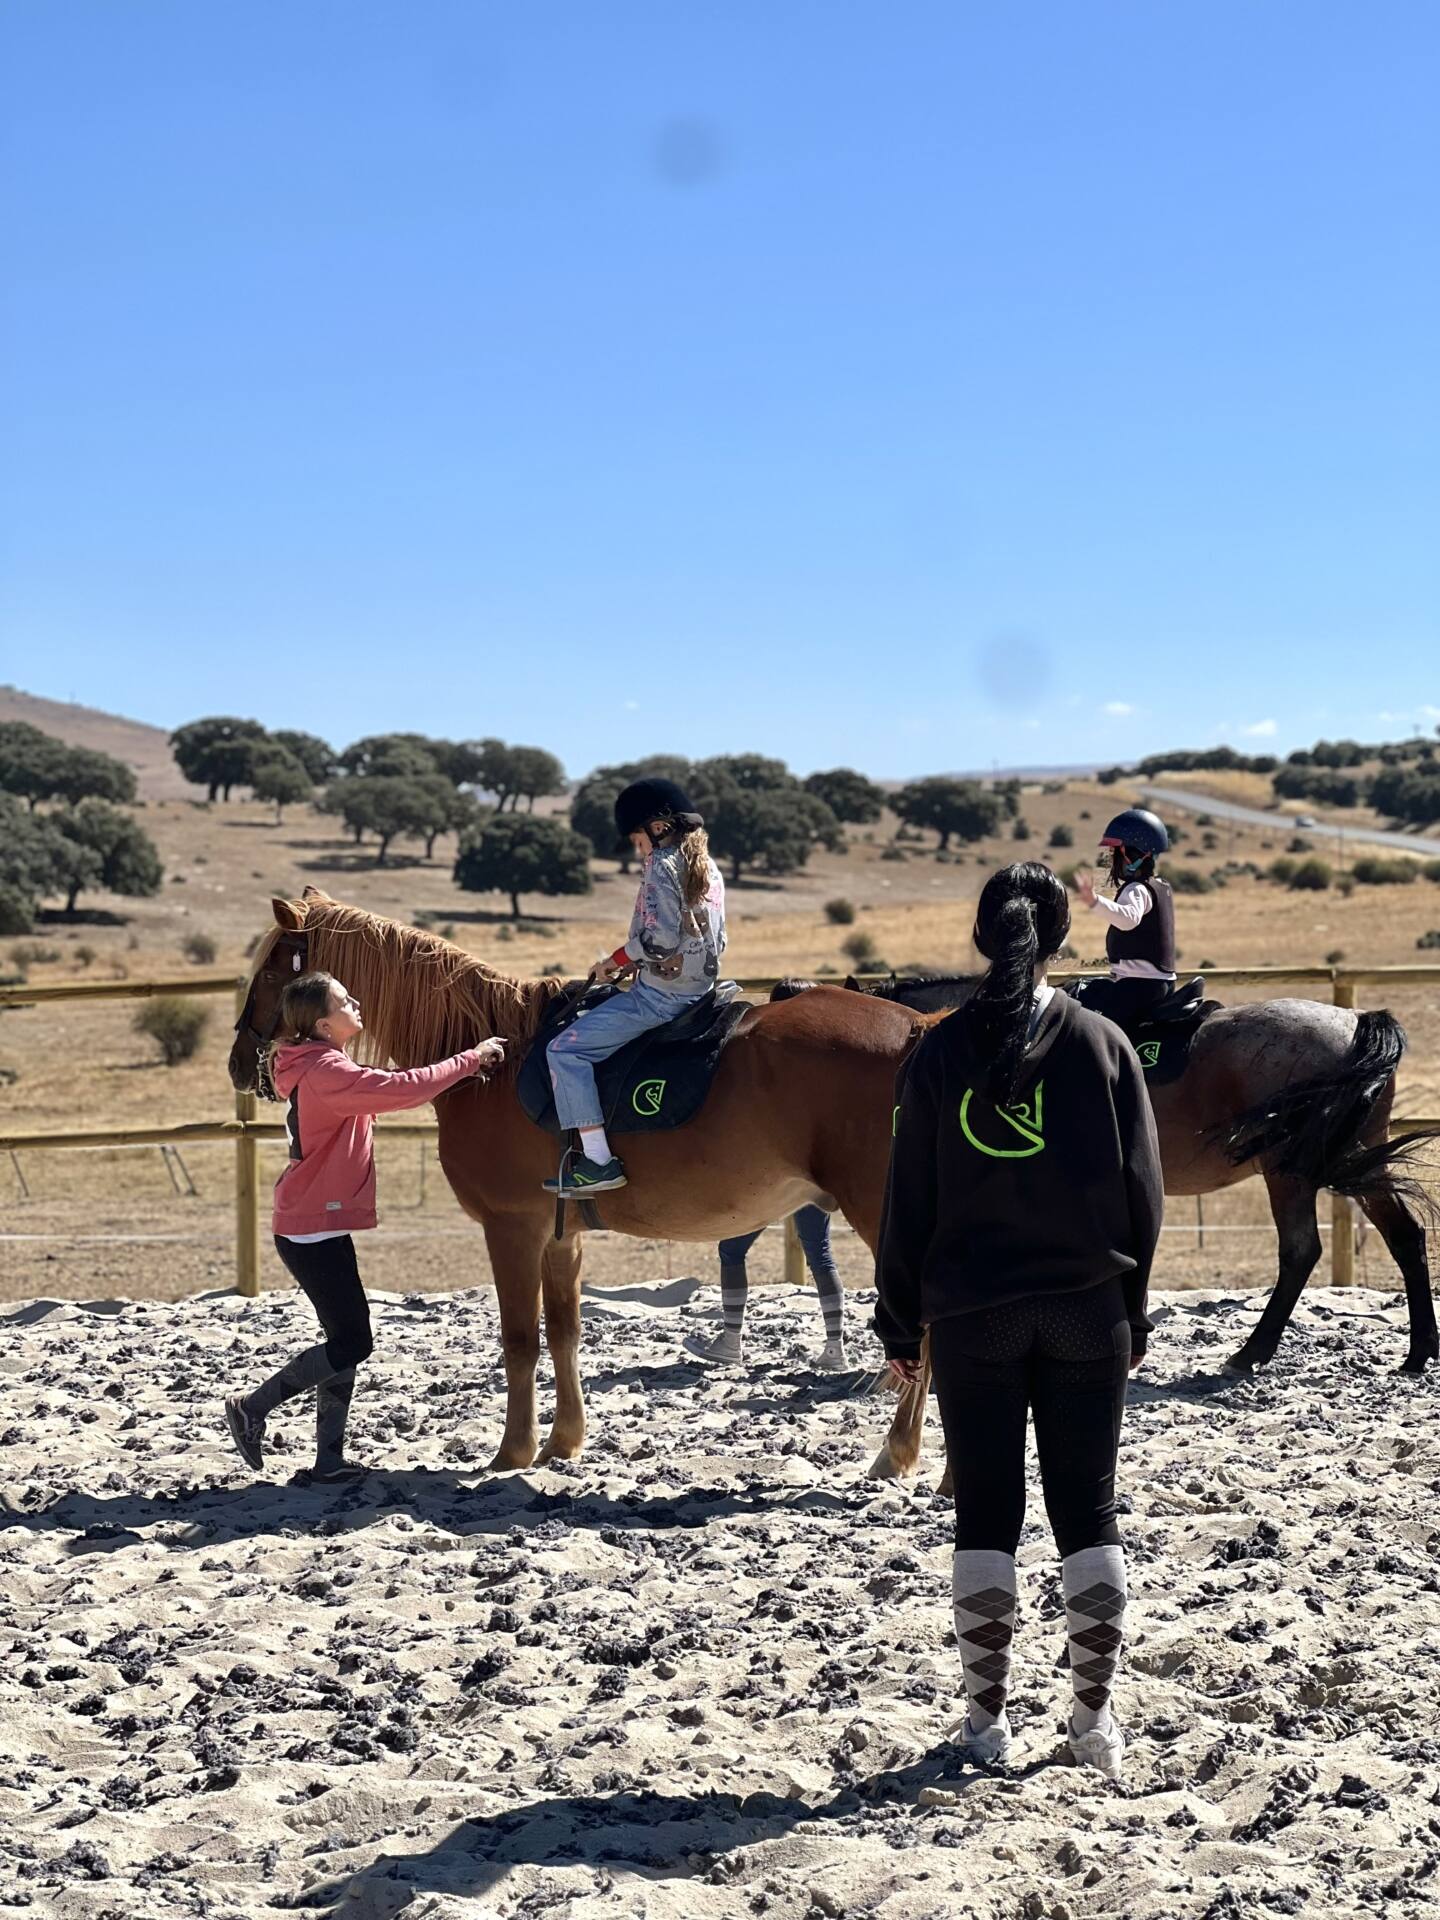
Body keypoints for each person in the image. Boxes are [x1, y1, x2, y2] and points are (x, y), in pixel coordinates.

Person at [874, 862, 1162, 1777]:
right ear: (1060, 940)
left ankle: (986, 1726)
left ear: (980, 937)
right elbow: (1143, 1195)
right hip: (1087, 1310)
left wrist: (896, 1326)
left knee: (987, 1518)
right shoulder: (1104, 1043)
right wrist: (1133, 1307)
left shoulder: (939, 1053)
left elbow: (906, 1200)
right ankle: (1090, 1725)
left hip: (973, 1315)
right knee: (1090, 1512)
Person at [225, 972, 506, 1483]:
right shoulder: (327, 1071)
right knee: (353, 1342)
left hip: (314, 1224)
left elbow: (389, 1084)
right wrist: (471, 1058)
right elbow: (401, 1089)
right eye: (343, 1000)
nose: (356, 1002)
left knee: (344, 1337)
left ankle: (328, 1461)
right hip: (310, 1229)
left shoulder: (321, 1063)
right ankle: (253, 1407)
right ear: (322, 1023)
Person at [543, 777, 726, 1199]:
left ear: (659, 828)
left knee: (564, 1050)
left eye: (637, 838)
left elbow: (661, 940)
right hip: (702, 987)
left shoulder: (663, 865)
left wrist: (615, 961)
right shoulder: (707, 866)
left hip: (661, 998)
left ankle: (598, 1161)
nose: (637, 848)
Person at [686, 1205, 849, 1370]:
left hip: (779, 1186)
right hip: (814, 1185)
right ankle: (834, 1351)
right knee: (821, 1256)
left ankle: (731, 1343)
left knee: (731, 1249)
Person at [1071, 807, 1175, 1029]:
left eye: (1115, 852)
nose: (1111, 858)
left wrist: (1093, 901)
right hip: (1156, 985)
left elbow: (1129, 919)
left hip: (1139, 988)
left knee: (1095, 1030)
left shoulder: (1137, 889)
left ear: (1135, 854)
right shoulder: (1160, 886)